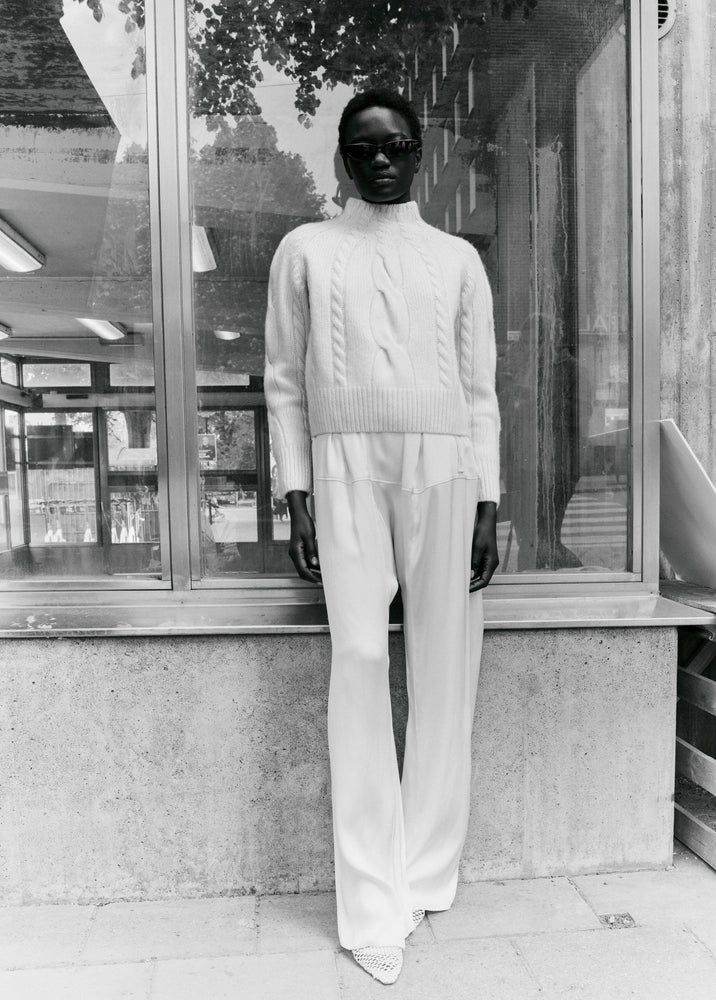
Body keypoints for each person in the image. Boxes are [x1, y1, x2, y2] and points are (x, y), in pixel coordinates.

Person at [264, 87, 500, 986]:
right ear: (340, 158)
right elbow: (284, 380)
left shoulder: (457, 261)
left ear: (418, 149)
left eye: (396, 144)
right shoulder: (306, 251)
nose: (381, 160)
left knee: (445, 667)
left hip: (447, 468)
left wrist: (490, 501)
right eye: (362, 148)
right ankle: (370, 902)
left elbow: (480, 391)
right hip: (343, 469)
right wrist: (295, 493)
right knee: (361, 658)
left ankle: (426, 868)